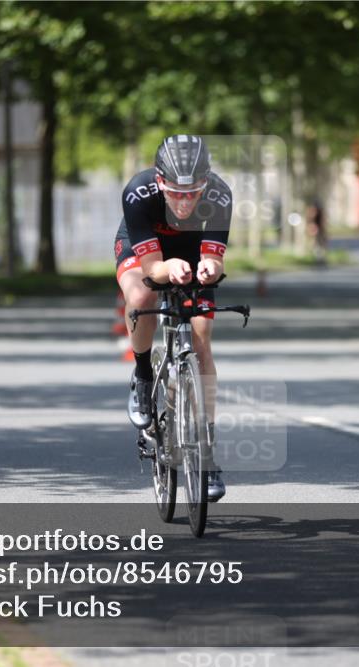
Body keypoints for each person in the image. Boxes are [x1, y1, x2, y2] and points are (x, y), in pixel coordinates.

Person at [114, 134, 232, 502]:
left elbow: (214, 257)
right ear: (160, 182)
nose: (183, 202)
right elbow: (151, 268)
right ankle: (144, 372)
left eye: (191, 193)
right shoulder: (138, 192)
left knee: (201, 338)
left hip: (191, 250)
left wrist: (210, 267)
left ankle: (207, 454)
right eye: (175, 193)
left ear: (205, 184)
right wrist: (167, 267)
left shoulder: (219, 196)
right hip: (146, 248)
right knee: (142, 294)